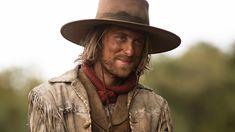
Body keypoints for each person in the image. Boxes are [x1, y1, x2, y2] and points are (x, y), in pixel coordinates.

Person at [28, 0, 181, 131]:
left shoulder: (155, 107)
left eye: (138, 41)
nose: (130, 51)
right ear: (98, 40)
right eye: (121, 37)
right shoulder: (52, 98)